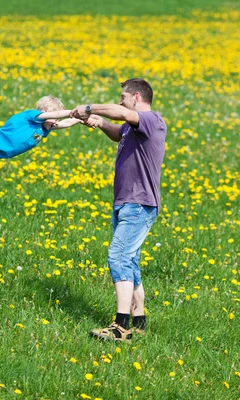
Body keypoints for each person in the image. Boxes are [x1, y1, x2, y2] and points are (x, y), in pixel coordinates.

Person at [71, 78, 167, 341]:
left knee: (119, 256)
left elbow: (123, 113)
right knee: (130, 260)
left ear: (136, 97)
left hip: (139, 203)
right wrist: (100, 123)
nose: (120, 101)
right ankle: (139, 321)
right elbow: (119, 132)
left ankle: (120, 327)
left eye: (123, 96)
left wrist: (89, 108)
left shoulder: (152, 120)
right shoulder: (133, 126)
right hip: (127, 201)